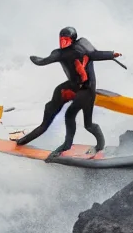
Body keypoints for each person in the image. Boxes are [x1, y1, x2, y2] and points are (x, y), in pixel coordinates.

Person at [14, 27, 121, 160]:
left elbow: (96, 54)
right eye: (61, 39)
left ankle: (86, 145)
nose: (63, 42)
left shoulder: (82, 46)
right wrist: (37, 60)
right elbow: (46, 60)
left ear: (73, 39)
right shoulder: (59, 53)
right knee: (50, 108)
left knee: (78, 119)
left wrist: (112, 54)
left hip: (87, 89)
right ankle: (22, 142)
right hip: (72, 86)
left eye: (66, 40)